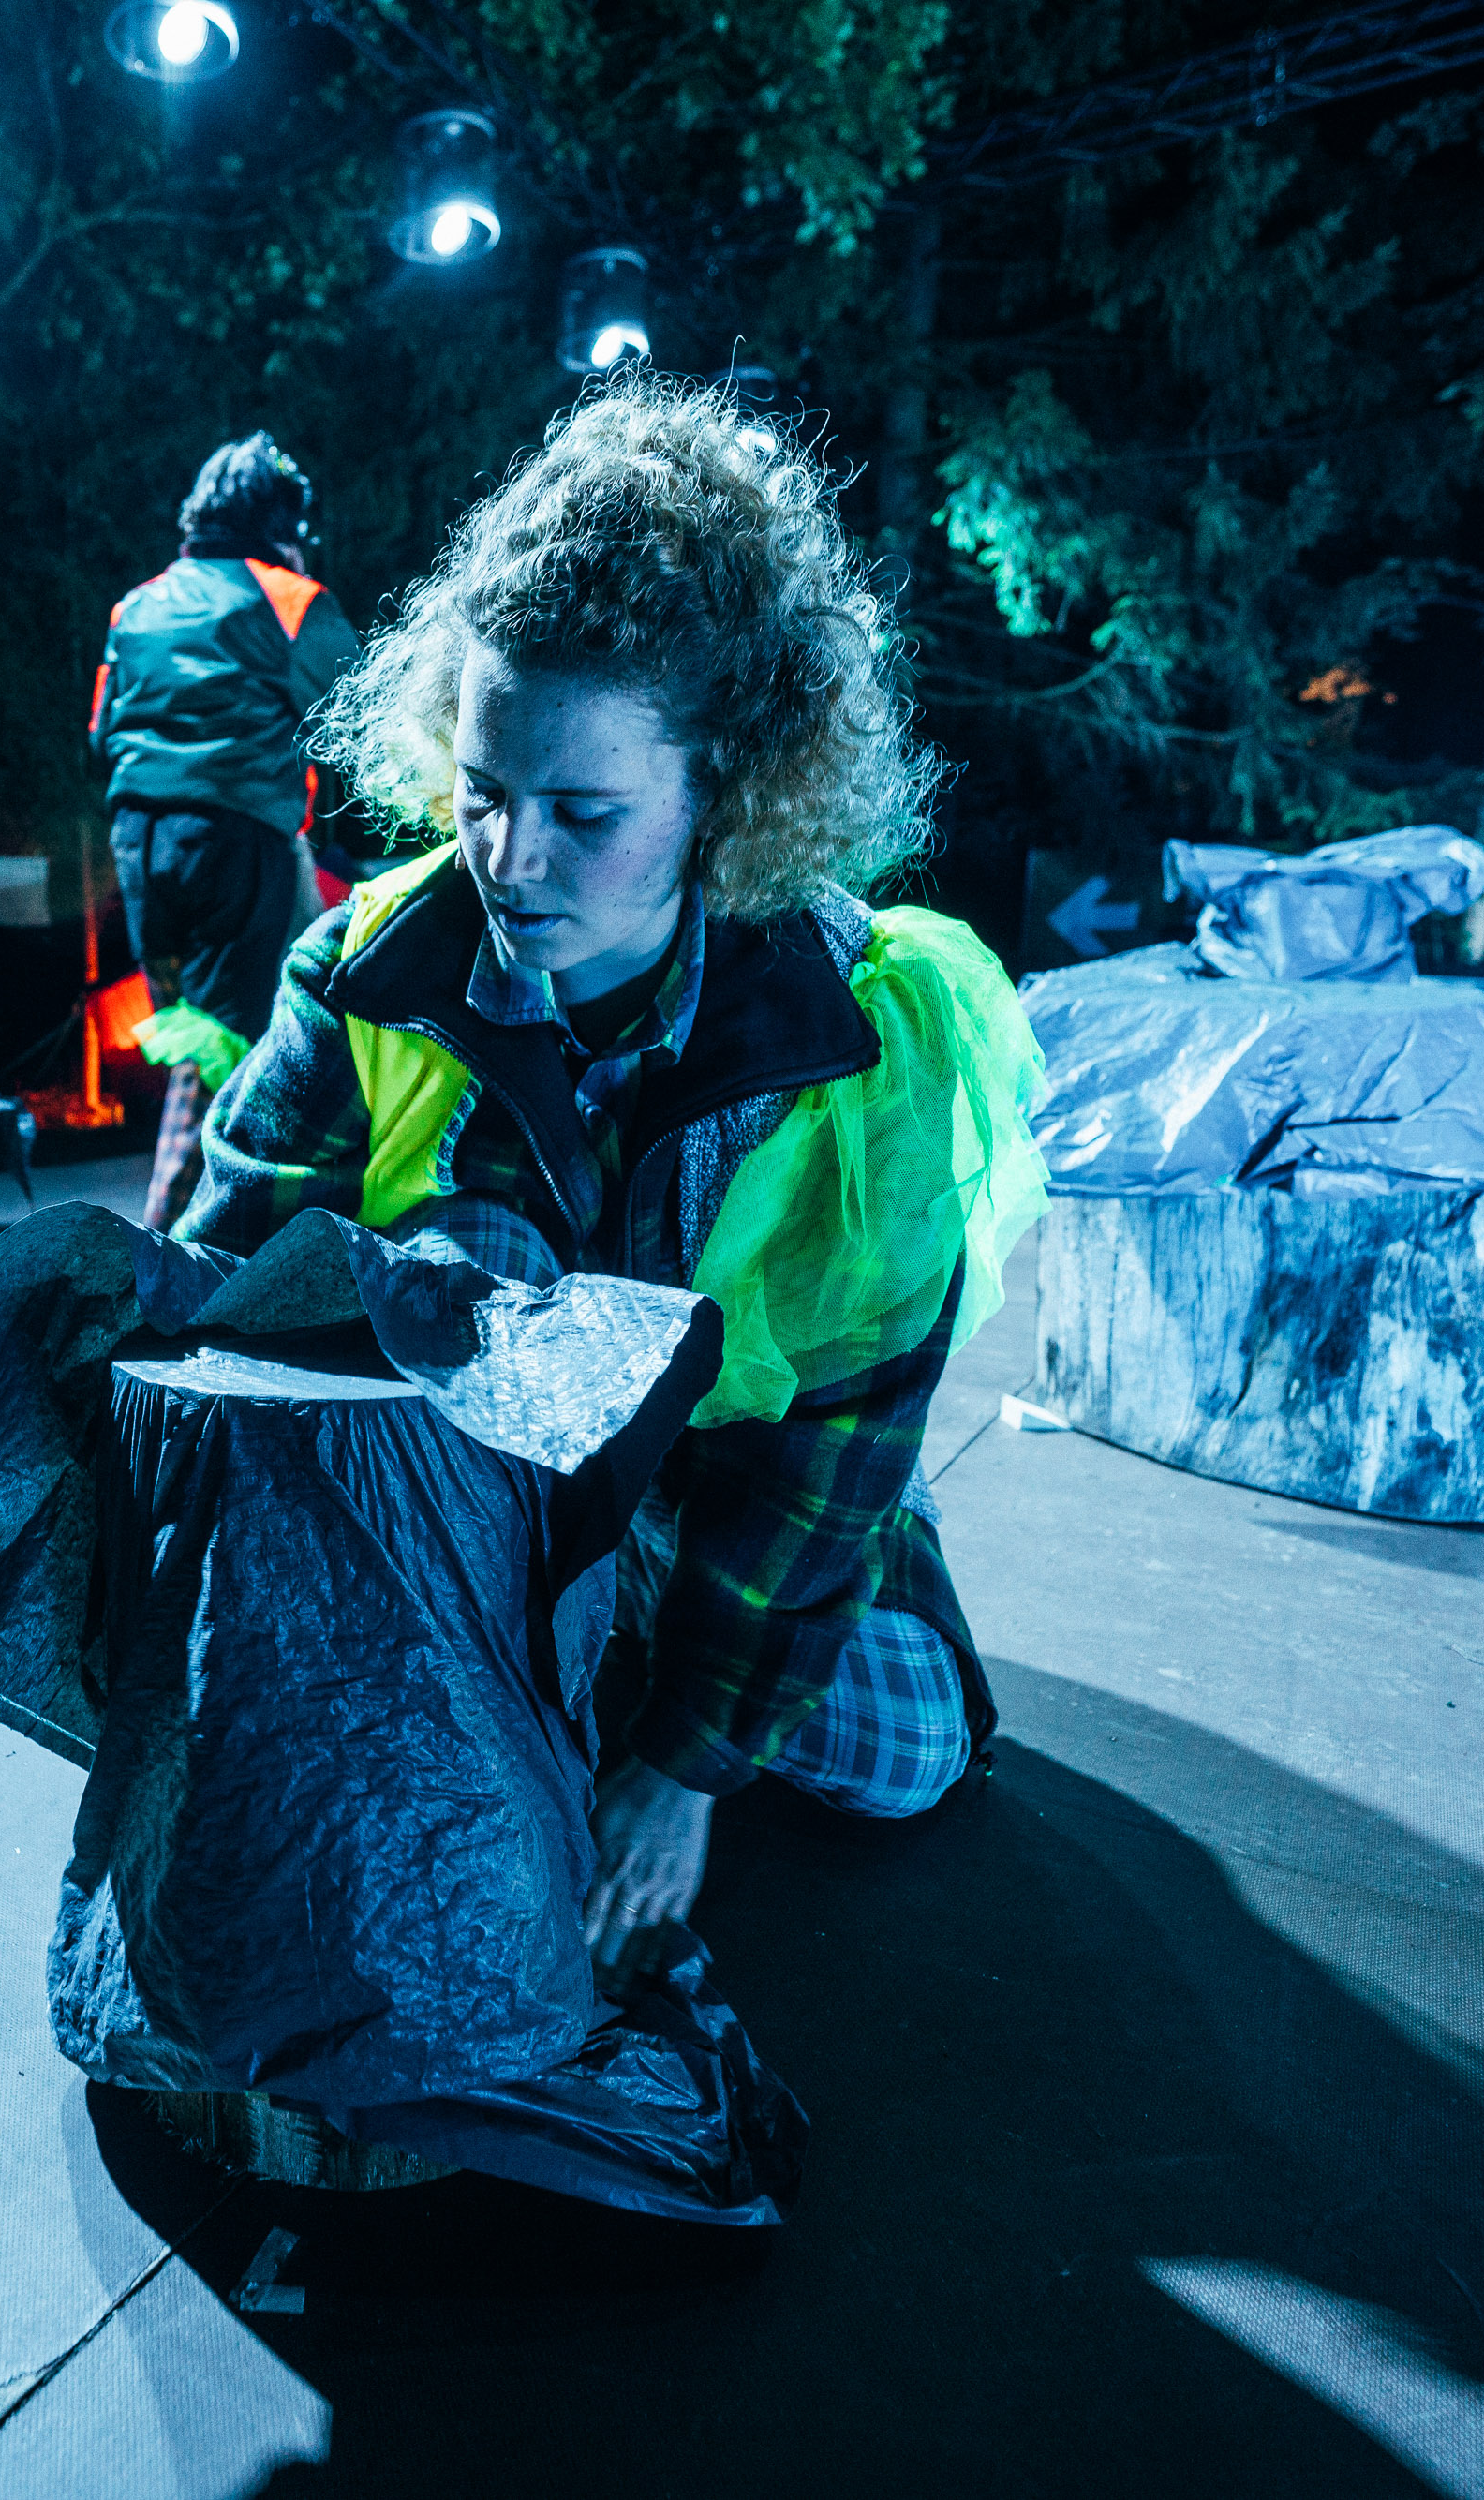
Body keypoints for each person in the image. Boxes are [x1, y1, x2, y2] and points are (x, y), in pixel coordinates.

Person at [175, 376, 1046, 1978]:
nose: (512, 864)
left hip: (728, 1468)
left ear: (725, 791)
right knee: (477, 1241)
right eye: (484, 794)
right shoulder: (363, 967)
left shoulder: (861, 1038)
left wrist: (688, 1761)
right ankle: (526, 1624)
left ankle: (647, 1625)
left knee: (904, 1752)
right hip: (465, 1472)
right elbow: (222, 1299)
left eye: (586, 813)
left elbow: (832, 1432)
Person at [92, 432, 361, 1228]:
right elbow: (364, 711)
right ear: (284, 524)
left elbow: (102, 730)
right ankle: (162, 1251)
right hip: (236, 843)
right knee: (229, 1050)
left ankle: (240, 1224)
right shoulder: (287, 599)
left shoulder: (137, 604)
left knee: (203, 1038)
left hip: (140, 847)